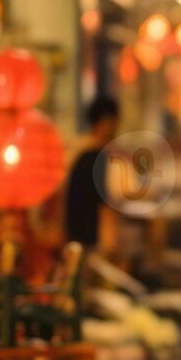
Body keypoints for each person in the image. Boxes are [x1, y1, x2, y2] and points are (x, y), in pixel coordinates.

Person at [63, 96, 120, 252]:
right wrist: (110, 248)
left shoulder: (77, 150)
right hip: (89, 241)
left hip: (72, 236)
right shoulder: (95, 156)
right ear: (106, 123)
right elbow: (103, 206)